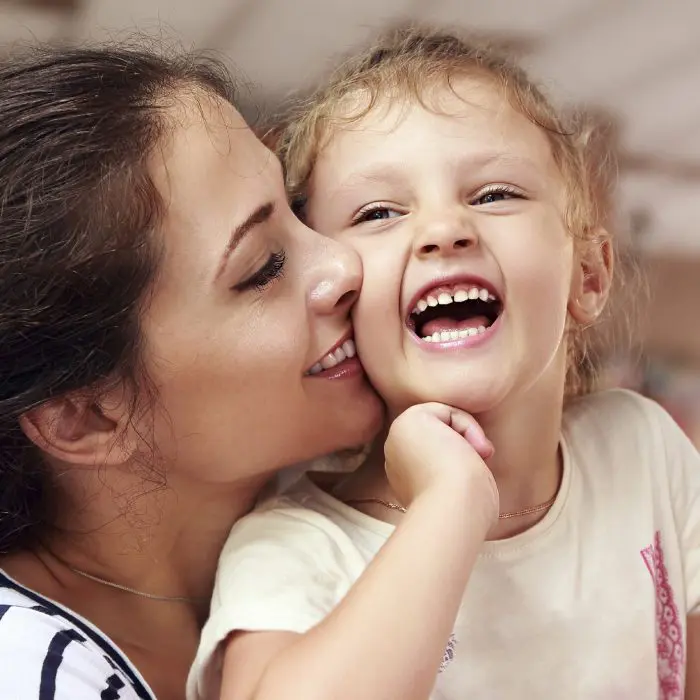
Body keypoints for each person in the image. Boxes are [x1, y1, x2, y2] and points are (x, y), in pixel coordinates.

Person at [190, 27, 700, 700]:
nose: (443, 229)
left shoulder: (643, 448)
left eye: (494, 195)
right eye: (378, 212)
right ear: (342, 295)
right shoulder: (295, 547)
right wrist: (450, 505)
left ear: (589, 276)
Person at [0, 42, 392, 700]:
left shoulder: (333, 562)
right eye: (264, 266)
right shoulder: (30, 670)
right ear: (86, 415)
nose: (344, 265)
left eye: (297, 210)